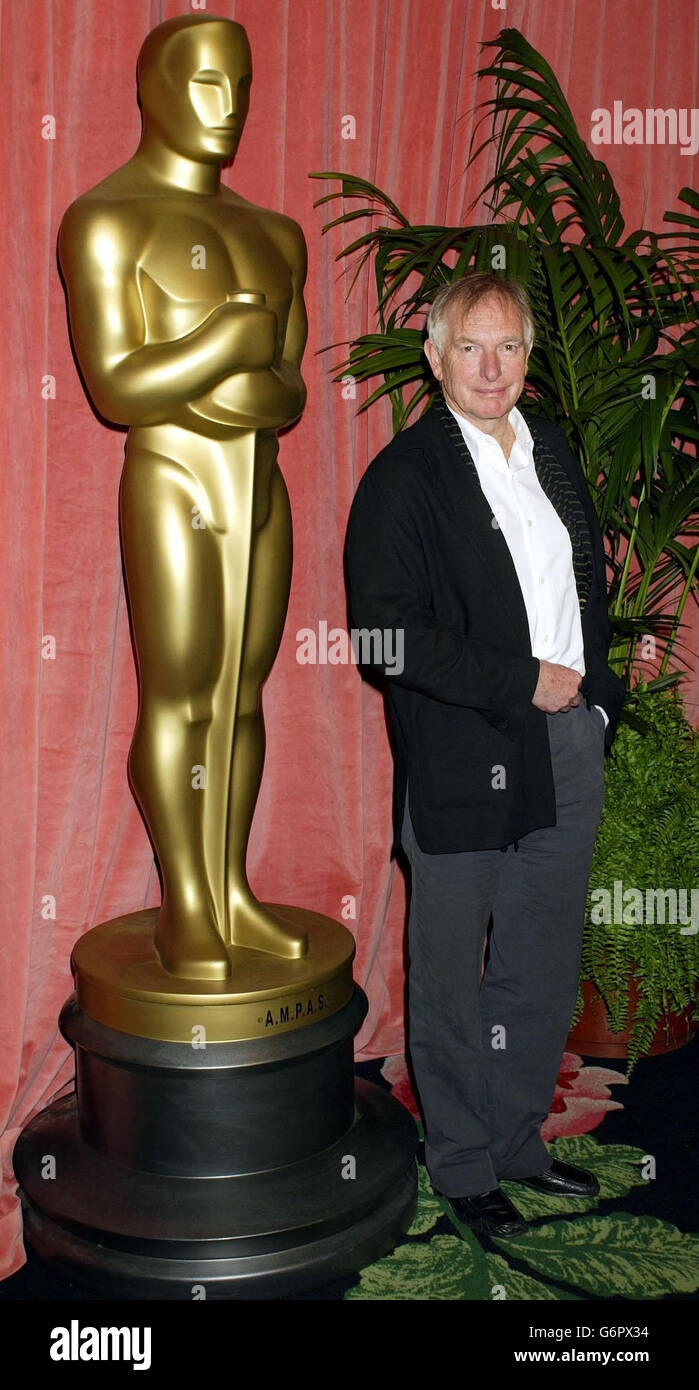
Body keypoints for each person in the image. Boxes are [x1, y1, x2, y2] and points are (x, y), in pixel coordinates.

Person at [345, 271, 626, 1238]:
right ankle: (463, 1168)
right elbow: (380, 639)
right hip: (463, 758)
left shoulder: (551, 451)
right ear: (435, 358)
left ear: (528, 356)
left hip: (566, 746)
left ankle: (516, 1148)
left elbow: (588, 585)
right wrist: (521, 681)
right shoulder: (405, 477)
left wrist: (596, 703)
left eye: (508, 346)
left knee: (540, 968)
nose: (491, 366)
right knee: (452, 978)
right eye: (470, 347)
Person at [58, 15, 309, 980]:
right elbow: (117, 386)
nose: (229, 107)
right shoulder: (108, 219)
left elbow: (284, 394)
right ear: (153, 91)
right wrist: (226, 346)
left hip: (258, 482)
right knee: (181, 698)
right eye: (206, 84)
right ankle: (187, 906)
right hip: (170, 475)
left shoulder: (274, 234)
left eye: (240, 86)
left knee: (242, 693)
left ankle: (233, 890)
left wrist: (225, 364)